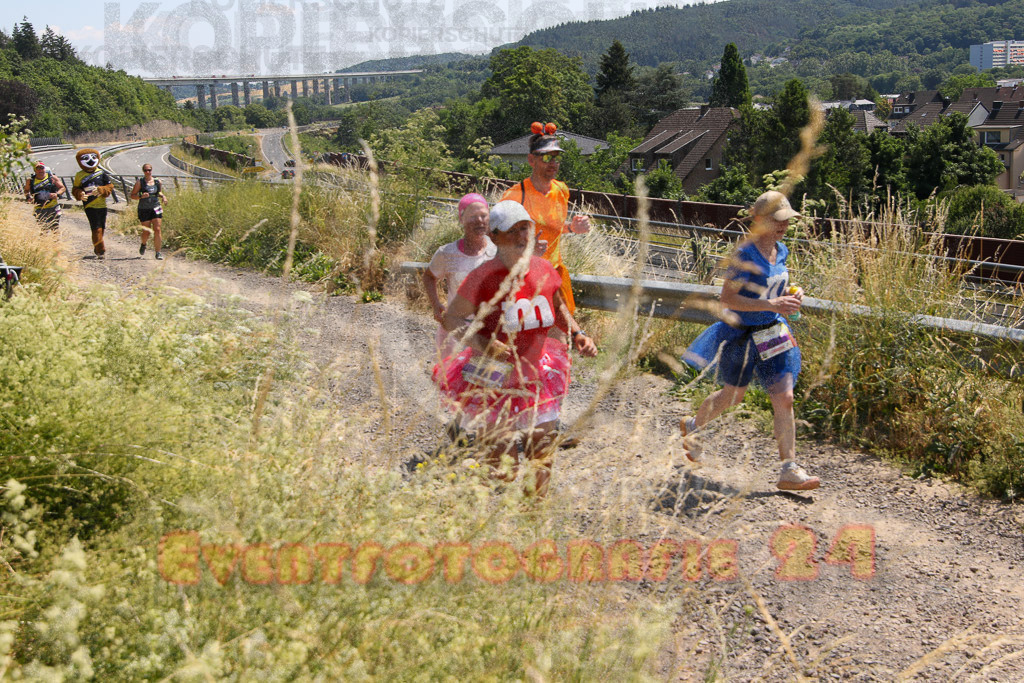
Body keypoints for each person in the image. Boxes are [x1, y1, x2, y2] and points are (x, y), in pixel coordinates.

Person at [434, 200, 598, 497]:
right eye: (513, 231)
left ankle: (534, 522)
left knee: (541, 458)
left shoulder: (545, 268)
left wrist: (577, 333)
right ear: (494, 237)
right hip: (494, 377)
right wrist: (483, 343)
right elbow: (451, 318)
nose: (523, 237)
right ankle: (476, 510)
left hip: (537, 373)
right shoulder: (482, 277)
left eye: (526, 228)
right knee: (502, 470)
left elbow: (558, 305)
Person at [679, 190, 819, 492]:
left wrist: (794, 294)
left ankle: (788, 469)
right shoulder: (743, 255)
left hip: (773, 333)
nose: (783, 225)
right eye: (776, 220)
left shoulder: (781, 251)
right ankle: (693, 427)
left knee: (785, 398)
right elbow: (728, 299)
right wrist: (773, 305)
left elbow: (774, 286)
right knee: (733, 395)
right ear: (758, 220)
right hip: (741, 335)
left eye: (786, 220)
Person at [500, 123, 591, 316]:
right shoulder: (515, 196)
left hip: (554, 274)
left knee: (561, 338)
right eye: (547, 157)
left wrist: (572, 228)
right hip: (525, 277)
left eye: (556, 158)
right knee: (529, 341)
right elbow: (497, 241)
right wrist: (526, 250)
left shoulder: (561, 191)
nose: (553, 163)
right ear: (531, 160)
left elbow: (554, 228)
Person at [422, 193, 496, 360]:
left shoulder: (497, 252)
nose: (479, 220)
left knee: (483, 383)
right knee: (451, 382)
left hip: (487, 333)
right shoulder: (447, 253)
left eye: (483, 215)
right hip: (455, 332)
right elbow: (428, 277)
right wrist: (436, 304)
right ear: (461, 220)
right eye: (472, 216)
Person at [71, 148, 114, 259]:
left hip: (102, 205)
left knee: (102, 228)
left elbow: (110, 186)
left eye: (93, 157)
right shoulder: (79, 175)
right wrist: (80, 194)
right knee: (96, 228)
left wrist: (101, 190)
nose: (90, 160)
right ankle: (101, 251)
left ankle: (97, 246)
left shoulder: (102, 173)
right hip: (89, 205)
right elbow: (75, 188)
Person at [130, 164, 168, 260]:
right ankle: (143, 244)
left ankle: (158, 252)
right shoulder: (140, 182)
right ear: (143, 171)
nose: (148, 172)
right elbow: (132, 195)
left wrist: (163, 196)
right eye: (146, 170)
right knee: (146, 231)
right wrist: (140, 196)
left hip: (156, 206)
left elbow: (159, 192)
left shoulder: (157, 181)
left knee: (157, 229)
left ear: (152, 170)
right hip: (144, 208)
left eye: (149, 170)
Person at [23, 160, 66, 230]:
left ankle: (56, 241)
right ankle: (45, 241)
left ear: (44, 168)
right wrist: (28, 197)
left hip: (53, 206)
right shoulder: (30, 180)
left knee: (55, 228)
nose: (40, 170)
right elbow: (26, 190)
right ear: (35, 170)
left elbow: (62, 188)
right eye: (38, 168)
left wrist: (57, 194)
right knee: (43, 229)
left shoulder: (52, 177)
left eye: (42, 168)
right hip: (39, 208)